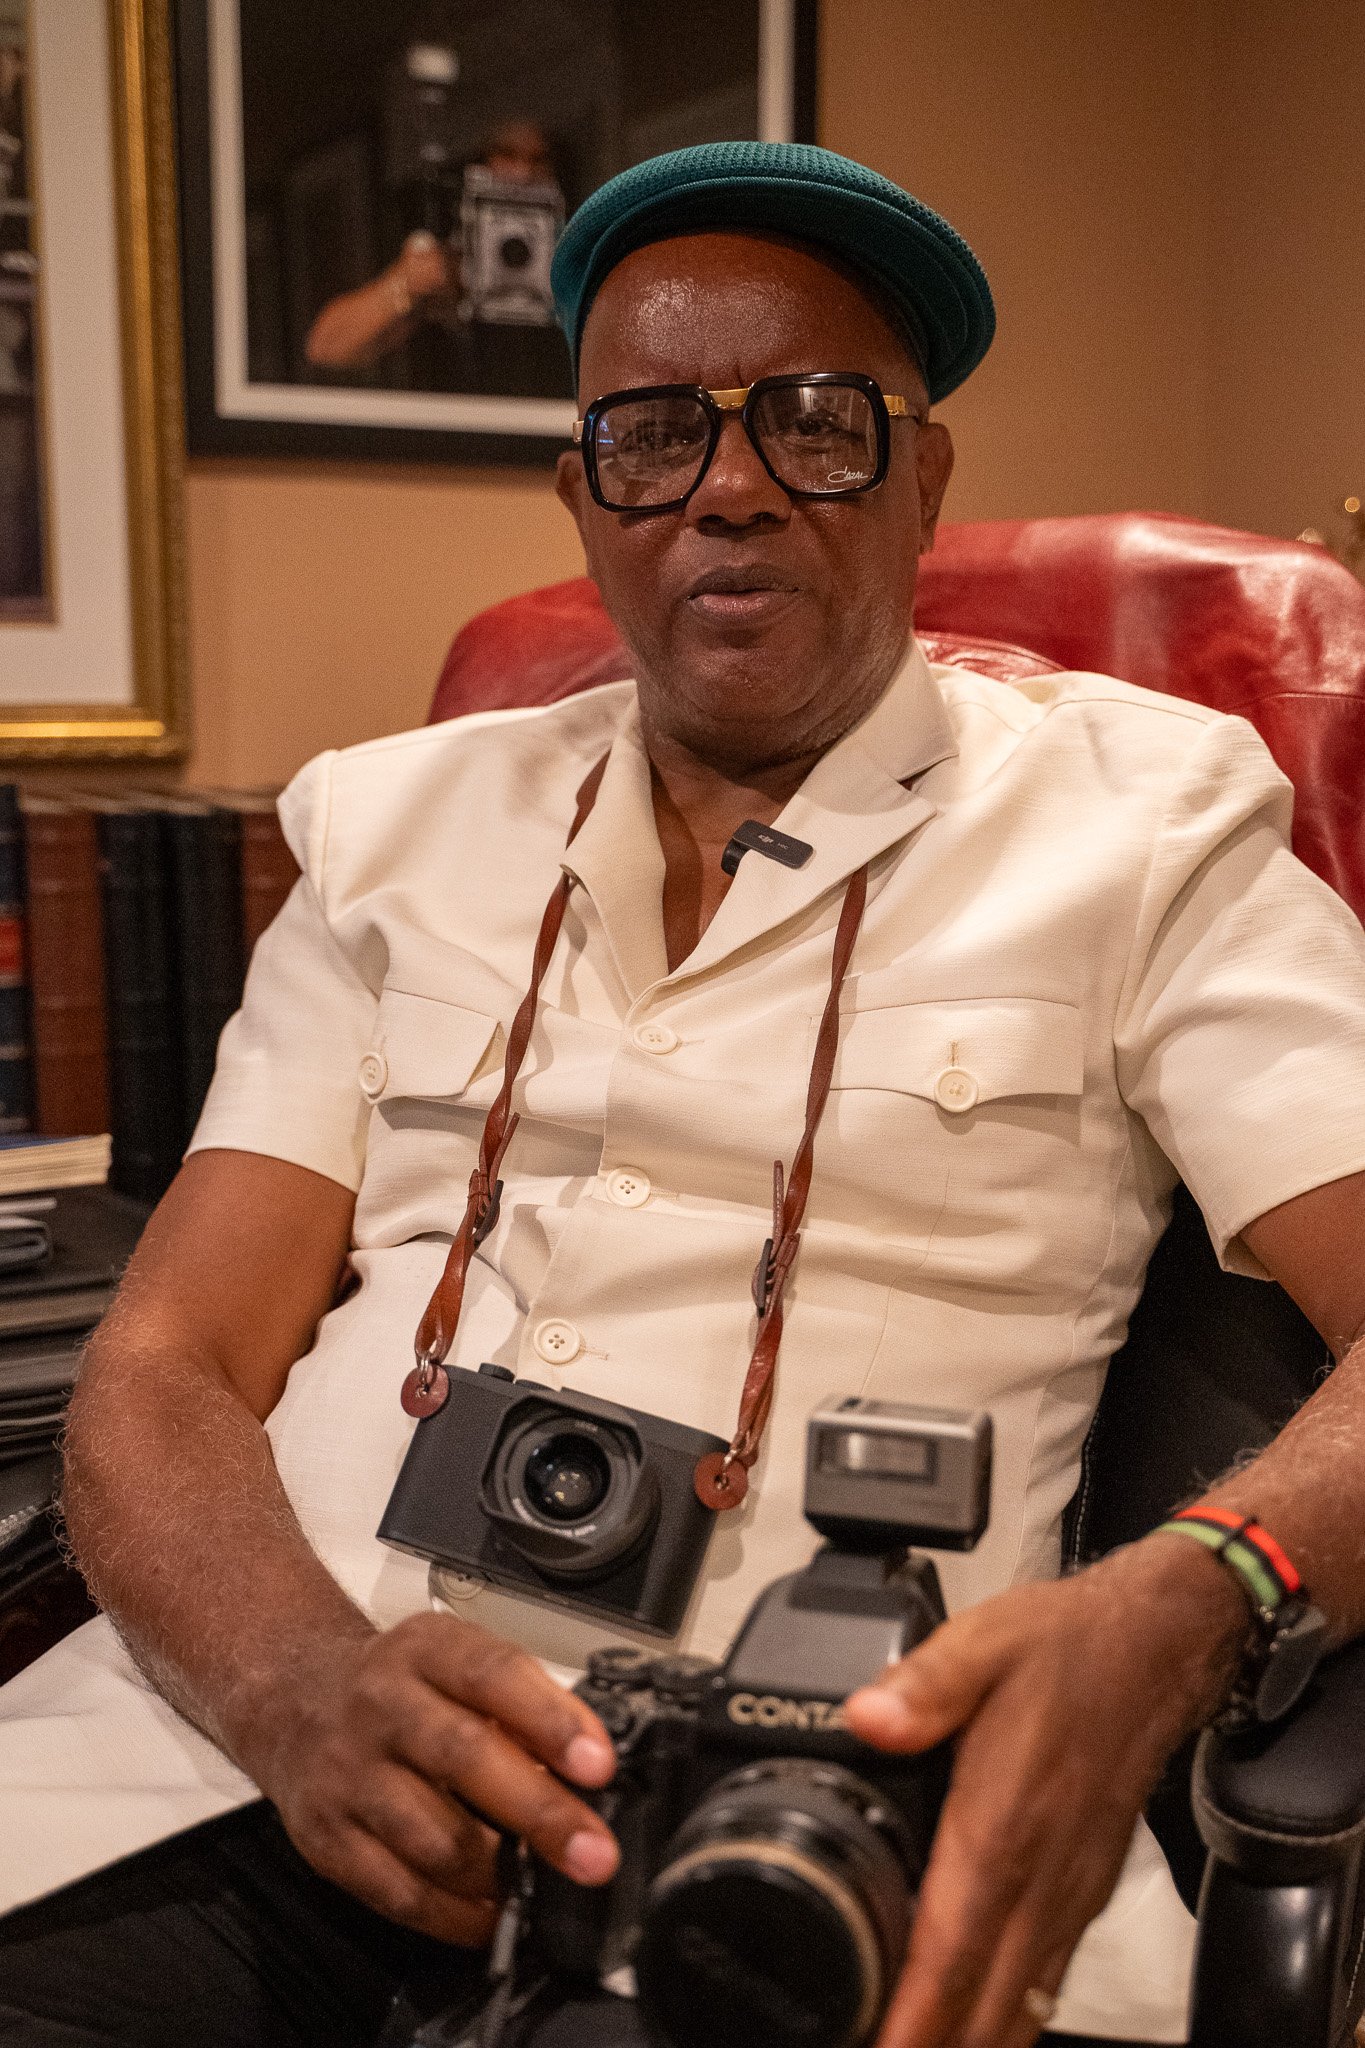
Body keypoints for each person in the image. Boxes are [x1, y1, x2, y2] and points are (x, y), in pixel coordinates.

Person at [4, 139, 1365, 2048]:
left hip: (805, 1836)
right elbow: (162, 1366)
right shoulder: (390, 825)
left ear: (924, 475)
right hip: (243, 1765)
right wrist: (290, 1678)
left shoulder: (1151, 825)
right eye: (655, 433)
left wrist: (1203, 1591)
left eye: (816, 421)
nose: (730, 486)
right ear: (585, 496)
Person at [303, 118, 566, 395]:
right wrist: (408, 286)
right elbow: (325, 350)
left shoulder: (572, 257)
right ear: (475, 161)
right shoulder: (445, 251)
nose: (521, 174)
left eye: (539, 160)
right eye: (505, 154)